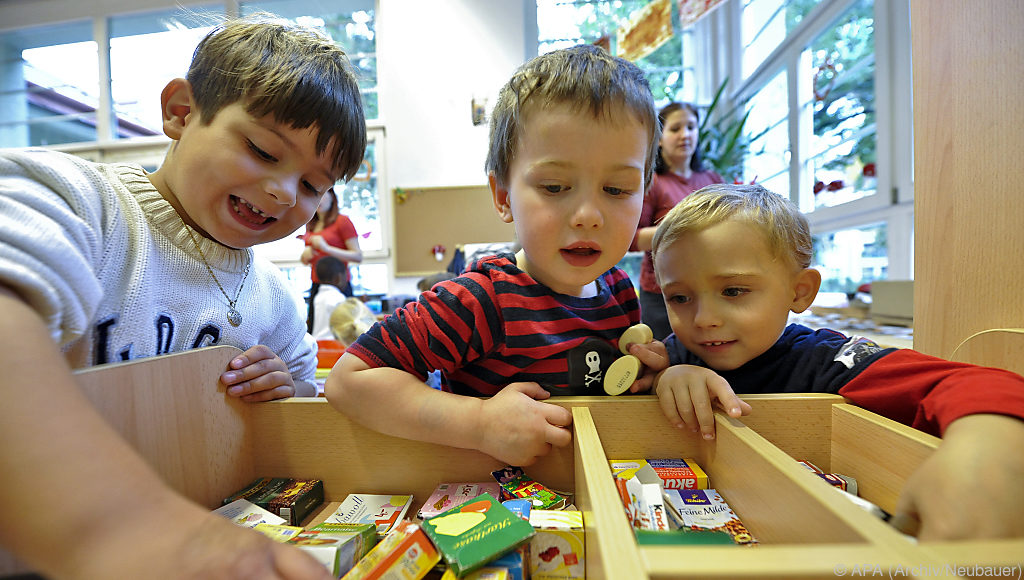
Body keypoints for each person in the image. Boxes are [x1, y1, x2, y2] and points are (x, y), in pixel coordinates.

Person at [0, 12, 366, 579]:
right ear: (181, 111)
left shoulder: (272, 296)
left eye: (313, 186)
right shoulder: (86, 206)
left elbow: (299, 409)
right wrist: (117, 526)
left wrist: (285, 385)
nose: (281, 190)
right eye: (265, 151)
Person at [325, 43, 660, 467]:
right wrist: (479, 421)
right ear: (503, 196)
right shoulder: (480, 299)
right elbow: (350, 381)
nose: (589, 216)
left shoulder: (620, 292)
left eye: (617, 189)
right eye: (555, 187)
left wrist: (656, 378)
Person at [628, 183, 1024, 540]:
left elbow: (985, 385)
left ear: (800, 292)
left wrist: (988, 444)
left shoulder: (832, 360)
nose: (703, 319)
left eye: (733, 290)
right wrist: (668, 376)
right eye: (679, 298)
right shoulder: (678, 352)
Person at [630, 102, 723, 340]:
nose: (685, 135)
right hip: (661, 292)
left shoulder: (712, 179)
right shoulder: (653, 182)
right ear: (659, 138)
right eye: (675, 129)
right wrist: (683, 230)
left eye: (691, 127)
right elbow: (631, 238)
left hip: (709, 288)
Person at [300, 188, 363, 333]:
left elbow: (357, 256)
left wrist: (327, 248)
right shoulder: (311, 224)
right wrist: (305, 256)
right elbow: (307, 260)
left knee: (345, 331)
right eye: (314, 195)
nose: (318, 201)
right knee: (316, 330)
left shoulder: (342, 221)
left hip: (339, 283)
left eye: (321, 195)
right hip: (317, 284)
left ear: (332, 196)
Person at [310, 257, 350, 341]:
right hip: (333, 344)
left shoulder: (318, 297)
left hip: (317, 343)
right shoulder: (339, 298)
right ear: (338, 278)